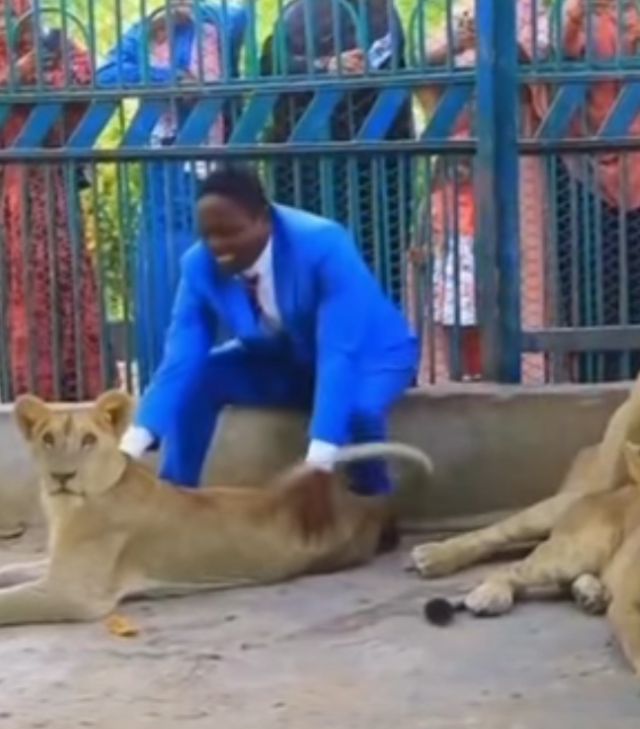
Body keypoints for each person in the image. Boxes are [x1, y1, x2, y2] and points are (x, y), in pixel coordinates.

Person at [120, 164, 418, 509]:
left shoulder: (323, 244)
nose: (218, 246)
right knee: (201, 377)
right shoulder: (198, 266)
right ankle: (173, 499)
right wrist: (132, 445)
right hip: (285, 360)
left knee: (359, 410)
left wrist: (318, 460)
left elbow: (341, 352)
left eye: (230, 231)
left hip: (369, 357)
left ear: (264, 218)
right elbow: (180, 358)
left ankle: (373, 507)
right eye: (208, 235)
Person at [97, 1, 247, 389]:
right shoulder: (146, 30)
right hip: (164, 175)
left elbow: (240, 22)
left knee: (224, 270)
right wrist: (165, 74)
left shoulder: (223, 20)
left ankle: (225, 380)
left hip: (219, 171)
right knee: (167, 277)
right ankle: (164, 384)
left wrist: (200, 16)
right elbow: (106, 74)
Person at [411, 0, 550, 383]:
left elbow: (541, 62)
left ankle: (523, 372)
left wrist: (497, 41)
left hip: (516, 161)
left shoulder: (535, 16)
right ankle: (453, 376)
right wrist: (457, 42)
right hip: (455, 166)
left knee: (517, 267)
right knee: (451, 278)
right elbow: (420, 66)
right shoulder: (459, 16)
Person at [260, 0, 413, 307]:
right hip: (307, 161)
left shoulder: (382, 12)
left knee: (376, 252)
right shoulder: (296, 14)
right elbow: (270, 66)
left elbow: (393, 70)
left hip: (375, 159)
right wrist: (325, 66)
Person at [0, 1, 107, 400]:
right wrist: (16, 77)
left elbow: (87, 82)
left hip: (48, 186)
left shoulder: (58, 48)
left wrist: (40, 74)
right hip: (9, 185)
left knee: (59, 285)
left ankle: (68, 386)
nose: (7, 21)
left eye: (14, 12)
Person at [550, 0, 640, 381]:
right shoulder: (576, 13)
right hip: (588, 164)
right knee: (595, 286)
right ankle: (598, 380)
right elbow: (550, 59)